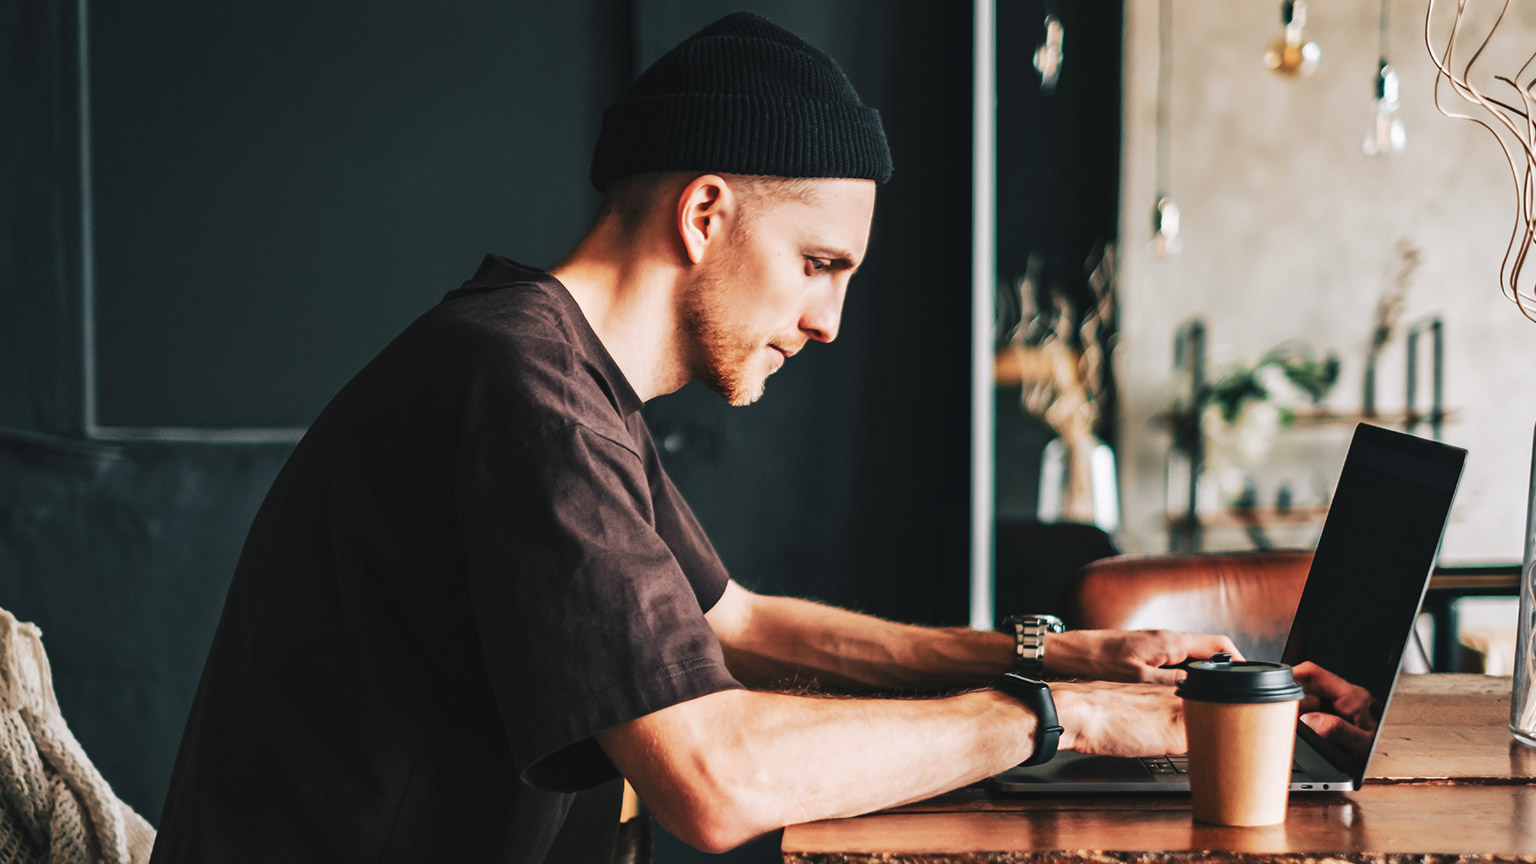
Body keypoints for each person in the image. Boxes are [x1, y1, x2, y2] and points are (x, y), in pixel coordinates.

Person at [148, 12, 1238, 864]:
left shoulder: (552, 364)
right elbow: (713, 783)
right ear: (706, 211)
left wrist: (1051, 655)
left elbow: (738, 622)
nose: (828, 322)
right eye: (819, 264)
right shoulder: (522, 389)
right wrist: (1063, 720)